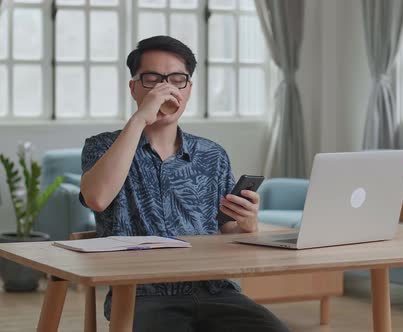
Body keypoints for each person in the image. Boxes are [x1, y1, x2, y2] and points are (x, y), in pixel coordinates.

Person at [79, 35, 289, 332]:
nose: (166, 90)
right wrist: (140, 119)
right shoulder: (102, 147)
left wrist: (248, 222)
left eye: (178, 79)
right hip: (141, 295)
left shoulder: (212, 155)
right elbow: (97, 198)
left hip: (215, 290)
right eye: (152, 79)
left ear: (189, 89)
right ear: (134, 88)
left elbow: (228, 230)